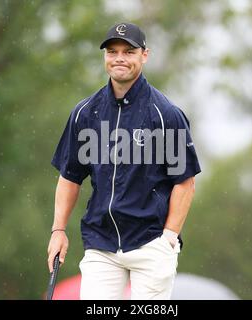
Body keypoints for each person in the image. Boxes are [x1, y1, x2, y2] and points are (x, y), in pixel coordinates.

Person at [47, 22, 201, 300]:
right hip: (101, 243)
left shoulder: (165, 114)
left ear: (144, 55)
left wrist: (168, 239)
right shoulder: (85, 113)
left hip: (151, 243)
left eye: (128, 52)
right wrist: (58, 230)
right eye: (112, 51)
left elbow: (185, 183)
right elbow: (70, 177)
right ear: (105, 56)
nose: (119, 58)